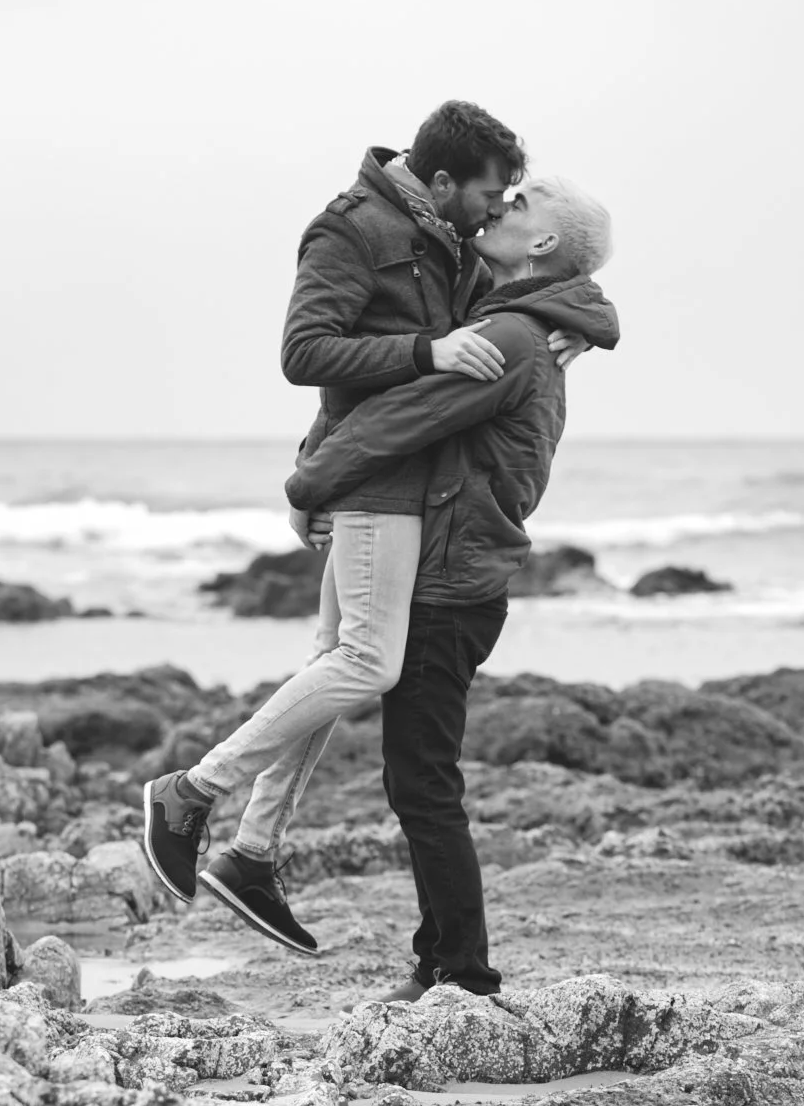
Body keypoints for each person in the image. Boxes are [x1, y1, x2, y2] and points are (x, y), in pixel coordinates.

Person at [140, 99, 527, 946]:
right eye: (491, 196)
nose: (497, 211)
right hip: (378, 486)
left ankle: (250, 852)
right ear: (438, 181)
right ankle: (193, 792)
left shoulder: (447, 240)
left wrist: (315, 470)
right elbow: (305, 354)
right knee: (369, 664)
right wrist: (422, 357)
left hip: (390, 481)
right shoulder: (350, 231)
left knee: (332, 663)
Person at [284, 173, 617, 996]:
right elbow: (581, 300)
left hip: (449, 580)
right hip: (459, 572)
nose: (502, 206)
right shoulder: (512, 319)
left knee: (424, 785)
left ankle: (461, 972)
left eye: (523, 203)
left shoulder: (506, 335)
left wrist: (307, 484)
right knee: (417, 780)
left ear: (542, 243)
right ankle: (439, 958)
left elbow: (399, 420)